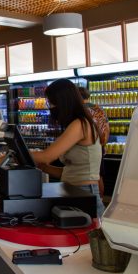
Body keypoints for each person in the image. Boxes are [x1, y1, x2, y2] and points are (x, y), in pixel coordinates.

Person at [31, 79, 105, 217]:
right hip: (73, 192)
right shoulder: (76, 124)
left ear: (63, 102)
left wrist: (12, 155)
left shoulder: (80, 125)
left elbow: (47, 156)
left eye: (51, 102)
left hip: (84, 194)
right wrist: (43, 167)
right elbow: (71, 172)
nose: (50, 107)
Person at [78, 87, 110, 197]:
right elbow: (106, 128)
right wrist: (103, 143)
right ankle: (100, 198)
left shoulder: (79, 110)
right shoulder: (99, 109)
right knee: (99, 175)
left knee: (90, 176)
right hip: (100, 145)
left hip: (86, 147)